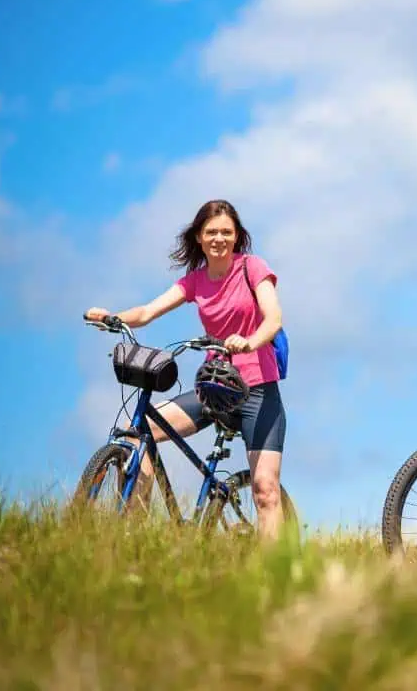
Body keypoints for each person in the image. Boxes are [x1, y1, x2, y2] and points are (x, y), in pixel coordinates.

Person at [83, 199, 289, 541]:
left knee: (265, 490)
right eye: (212, 232)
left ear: (237, 237)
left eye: (226, 232)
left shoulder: (252, 267)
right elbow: (148, 311)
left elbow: (274, 318)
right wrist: (112, 317)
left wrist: (251, 342)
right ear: (199, 237)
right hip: (214, 389)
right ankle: (135, 527)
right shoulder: (195, 281)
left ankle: (275, 572)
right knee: (140, 431)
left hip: (258, 390)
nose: (219, 238)